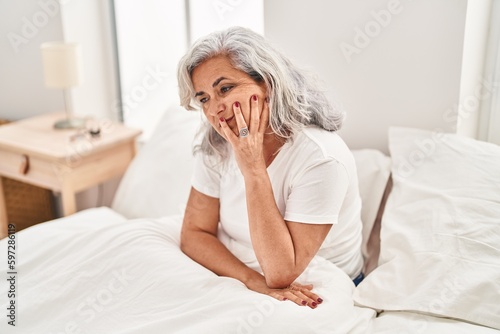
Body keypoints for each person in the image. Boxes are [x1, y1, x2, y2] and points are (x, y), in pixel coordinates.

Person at [177, 27, 363, 309]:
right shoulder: (218, 143)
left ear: (267, 84)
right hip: (249, 272)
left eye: (224, 89)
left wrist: (252, 169)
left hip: (319, 282)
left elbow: (280, 273)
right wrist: (251, 280)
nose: (214, 110)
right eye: (204, 98)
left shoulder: (322, 157)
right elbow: (194, 233)